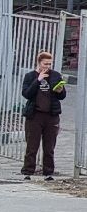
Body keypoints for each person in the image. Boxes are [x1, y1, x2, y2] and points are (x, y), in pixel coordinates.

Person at [22, 50, 68, 180]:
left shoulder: (55, 75)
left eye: (49, 64)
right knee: (32, 145)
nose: (47, 66)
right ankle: (28, 171)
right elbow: (26, 93)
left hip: (51, 115)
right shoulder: (30, 76)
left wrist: (60, 91)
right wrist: (38, 80)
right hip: (35, 115)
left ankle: (48, 172)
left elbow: (62, 96)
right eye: (45, 64)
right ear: (39, 63)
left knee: (49, 146)